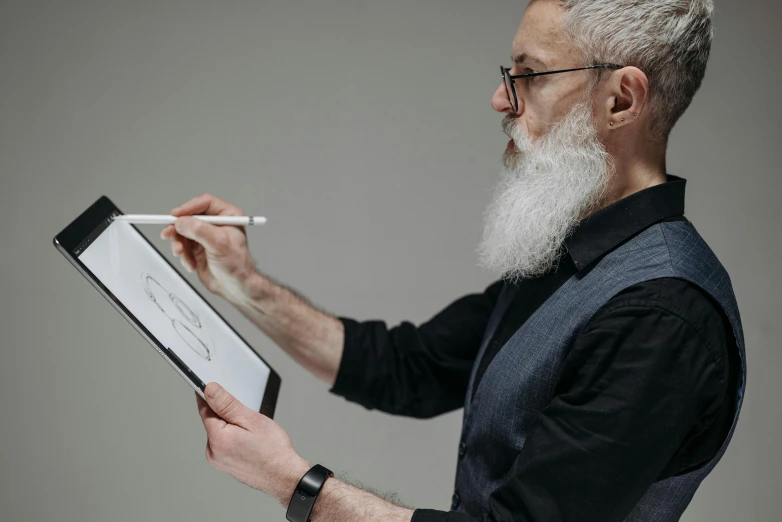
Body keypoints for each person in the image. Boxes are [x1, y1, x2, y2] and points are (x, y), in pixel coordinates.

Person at [161, 0, 746, 520]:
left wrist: (292, 483)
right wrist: (243, 284)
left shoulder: (662, 314)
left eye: (531, 74)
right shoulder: (574, 256)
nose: (501, 98)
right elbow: (409, 369)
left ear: (621, 99)